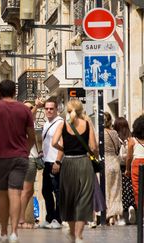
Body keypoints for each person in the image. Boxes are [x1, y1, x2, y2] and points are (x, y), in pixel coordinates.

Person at [0, 80, 35, 242]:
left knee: (3, 194)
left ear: (0, 91)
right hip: (20, 157)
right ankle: (14, 232)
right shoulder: (24, 110)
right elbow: (32, 136)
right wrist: (25, 151)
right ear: (14, 92)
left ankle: (4, 231)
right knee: (16, 193)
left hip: (0, 157)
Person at [52, 99, 97, 243]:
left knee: (69, 198)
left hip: (68, 163)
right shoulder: (88, 124)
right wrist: (93, 155)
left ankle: (72, 233)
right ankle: (78, 236)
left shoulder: (63, 124)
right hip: (84, 163)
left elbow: (54, 142)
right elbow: (94, 147)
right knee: (83, 198)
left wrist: (64, 149)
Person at [39, 97, 63, 229]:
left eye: (51, 109)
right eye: (46, 108)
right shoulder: (46, 123)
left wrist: (58, 161)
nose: (48, 111)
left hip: (56, 161)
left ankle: (57, 219)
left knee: (57, 191)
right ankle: (49, 217)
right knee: (45, 190)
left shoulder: (60, 122)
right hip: (47, 161)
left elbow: (62, 143)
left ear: (56, 109)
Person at [18, 100, 40, 229]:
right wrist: (36, 106)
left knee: (29, 190)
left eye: (30, 107)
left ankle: (21, 218)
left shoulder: (31, 122)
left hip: (33, 158)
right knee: (26, 191)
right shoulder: (24, 121)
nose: (29, 110)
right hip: (28, 159)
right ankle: (21, 219)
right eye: (27, 108)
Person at [113, 117, 136, 224]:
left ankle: (123, 216)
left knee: (121, 190)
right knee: (130, 187)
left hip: (120, 166)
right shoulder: (131, 137)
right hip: (130, 165)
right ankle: (132, 206)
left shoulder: (116, 138)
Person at [103, 112, 124, 225]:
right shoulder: (114, 133)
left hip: (105, 164)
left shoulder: (99, 133)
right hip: (114, 163)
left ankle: (107, 214)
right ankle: (114, 216)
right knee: (115, 190)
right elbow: (117, 147)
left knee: (105, 190)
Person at [126, 115, 144, 209]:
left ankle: (142, 215)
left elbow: (129, 157)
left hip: (137, 165)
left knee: (137, 191)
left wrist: (127, 170)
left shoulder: (132, 141)